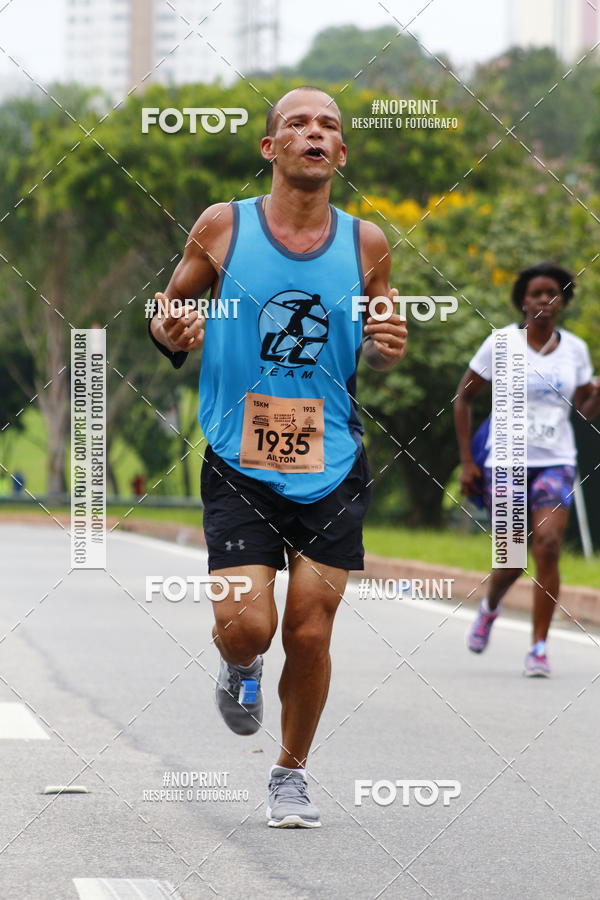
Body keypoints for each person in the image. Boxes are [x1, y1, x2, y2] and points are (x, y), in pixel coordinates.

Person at [149, 86, 408, 826]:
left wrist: (389, 347)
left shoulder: (367, 243)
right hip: (239, 455)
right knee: (251, 627)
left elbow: (380, 335)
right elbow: (169, 315)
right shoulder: (223, 227)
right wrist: (173, 332)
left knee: (311, 629)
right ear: (271, 148)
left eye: (328, 125)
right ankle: (240, 667)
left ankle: (290, 773)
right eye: (296, 124)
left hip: (330, 460)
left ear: (342, 153)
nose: (313, 133)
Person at [454, 262, 600, 677]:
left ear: (562, 303)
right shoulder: (500, 342)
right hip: (506, 460)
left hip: (556, 459)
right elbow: (462, 399)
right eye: (535, 293)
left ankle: (538, 647)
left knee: (550, 544)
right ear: (522, 301)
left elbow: (583, 415)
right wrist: (467, 461)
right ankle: (490, 606)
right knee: (513, 559)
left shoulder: (575, 349)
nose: (543, 300)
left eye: (552, 293)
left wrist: (596, 394)